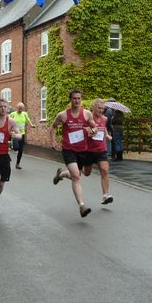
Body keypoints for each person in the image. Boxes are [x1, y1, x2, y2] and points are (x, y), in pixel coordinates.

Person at [50, 89, 98, 218]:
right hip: (68, 149)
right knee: (76, 176)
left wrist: (92, 131)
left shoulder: (87, 114)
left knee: (74, 175)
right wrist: (54, 141)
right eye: (74, 98)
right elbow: (53, 127)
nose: (77, 101)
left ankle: (61, 174)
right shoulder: (63, 115)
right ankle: (82, 206)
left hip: (82, 150)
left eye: (79, 98)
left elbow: (95, 128)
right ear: (70, 99)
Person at [83, 99, 114, 205]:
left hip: (101, 149)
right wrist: (89, 133)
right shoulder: (87, 118)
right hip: (89, 150)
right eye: (99, 108)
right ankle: (78, 169)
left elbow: (103, 127)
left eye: (102, 108)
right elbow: (84, 130)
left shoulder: (104, 119)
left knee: (104, 170)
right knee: (86, 173)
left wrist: (107, 135)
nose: (101, 110)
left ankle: (105, 195)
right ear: (93, 108)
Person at [9, 102, 36, 170]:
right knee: (16, 148)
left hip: (22, 134)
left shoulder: (24, 114)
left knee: (21, 150)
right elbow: (8, 122)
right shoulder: (13, 114)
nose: (21, 109)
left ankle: (17, 164)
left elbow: (28, 120)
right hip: (15, 134)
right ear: (17, 108)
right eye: (20, 108)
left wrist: (32, 125)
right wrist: (10, 131)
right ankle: (11, 144)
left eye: (22, 108)